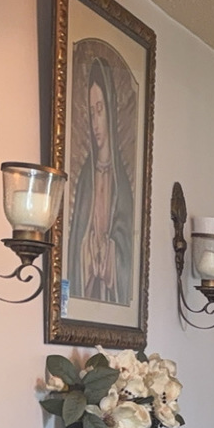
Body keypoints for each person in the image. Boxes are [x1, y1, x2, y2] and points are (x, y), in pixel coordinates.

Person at [68, 48, 136, 306]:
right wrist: (88, 251)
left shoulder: (123, 185)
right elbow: (76, 247)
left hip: (109, 289)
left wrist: (109, 253)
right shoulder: (87, 176)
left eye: (100, 109)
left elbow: (126, 250)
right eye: (91, 111)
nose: (96, 122)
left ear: (110, 110)